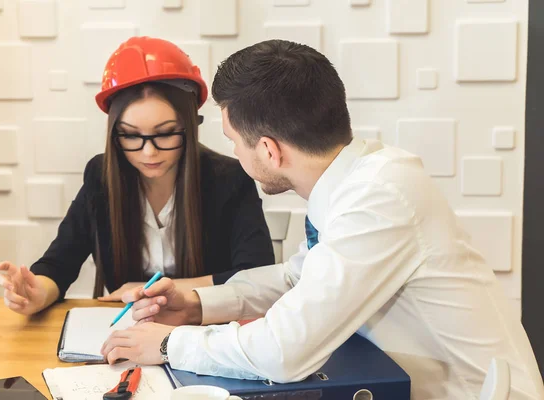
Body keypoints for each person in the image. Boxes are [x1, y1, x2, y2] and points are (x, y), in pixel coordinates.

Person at [101, 39, 544, 399]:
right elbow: (300, 278)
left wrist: (166, 344)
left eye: (235, 141)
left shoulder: (379, 199)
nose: (234, 154)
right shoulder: (359, 179)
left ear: (270, 150)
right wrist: (198, 304)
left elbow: (284, 352)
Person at [0, 36, 274, 316]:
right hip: (128, 334)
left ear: (190, 125)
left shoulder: (229, 179)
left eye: (165, 133)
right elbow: (58, 264)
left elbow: (256, 277)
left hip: (208, 332)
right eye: (130, 135)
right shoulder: (100, 177)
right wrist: (35, 292)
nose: (149, 152)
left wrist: (159, 289)